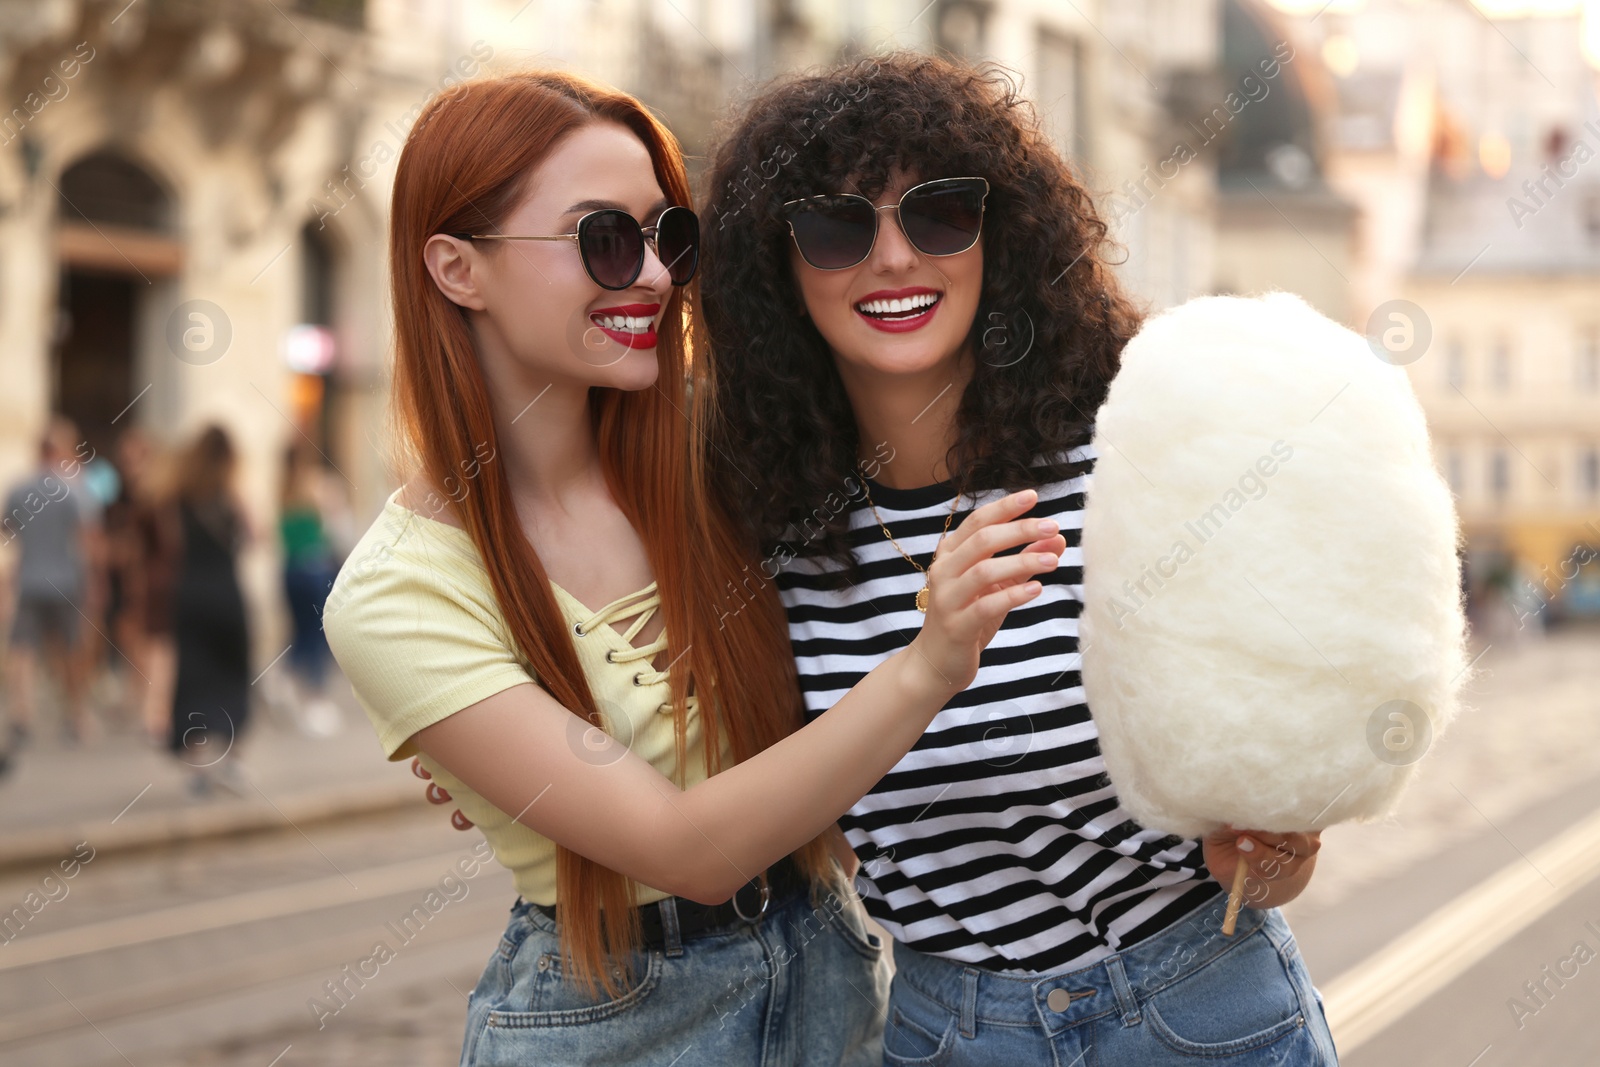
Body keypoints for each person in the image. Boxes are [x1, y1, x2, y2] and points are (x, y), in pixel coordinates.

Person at [322, 69, 1062, 1067]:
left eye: (669, 238)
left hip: (833, 979)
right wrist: (928, 662)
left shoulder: (729, 456)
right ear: (458, 269)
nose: (655, 277)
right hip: (611, 1024)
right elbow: (689, 850)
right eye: (603, 239)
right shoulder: (394, 592)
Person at [698, 52, 1339, 1065]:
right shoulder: (761, 529)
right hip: (945, 1032)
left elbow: (1263, 854)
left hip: (1199, 1009)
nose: (895, 256)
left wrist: (1271, 854)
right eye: (836, 225)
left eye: (940, 212)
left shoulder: (1133, 462)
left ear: (1000, 234)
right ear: (775, 267)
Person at [2, 417, 102, 751]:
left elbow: (7, 531)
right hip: (66, 582)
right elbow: (88, 540)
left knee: (23, 649)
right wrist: (95, 585)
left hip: (30, 579)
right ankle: (76, 714)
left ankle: (22, 714)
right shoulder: (75, 489)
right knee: (72, 650)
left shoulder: (19, 488)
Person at [168, 424, 253, 796]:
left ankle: (198, 766)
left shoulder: (179, 496)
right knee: (235, 672)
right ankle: (232, 760)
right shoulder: (230, 496)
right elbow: (256, 535)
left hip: (189, 594)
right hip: (226, 593)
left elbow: (169, 545)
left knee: (193, 674)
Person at [276, 439, 347, 736]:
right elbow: (332, 525)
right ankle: (315, 700)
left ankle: (283, 677)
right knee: (318, 632)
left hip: (291, 569)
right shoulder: (313, 487)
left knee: (300, 630)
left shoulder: (281, 490)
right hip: (314, 569)